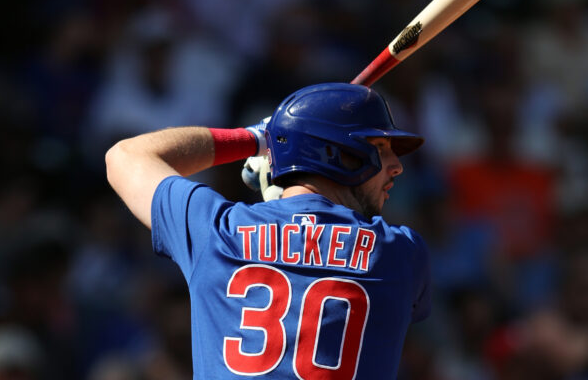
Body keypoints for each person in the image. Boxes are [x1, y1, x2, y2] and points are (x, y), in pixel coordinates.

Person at [105, 82, 431, 379]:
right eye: (380, 147)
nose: (396, 165)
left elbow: (124, 157)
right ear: (340, 155)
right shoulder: (401, 253)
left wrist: (254, 139)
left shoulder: (218, 231)